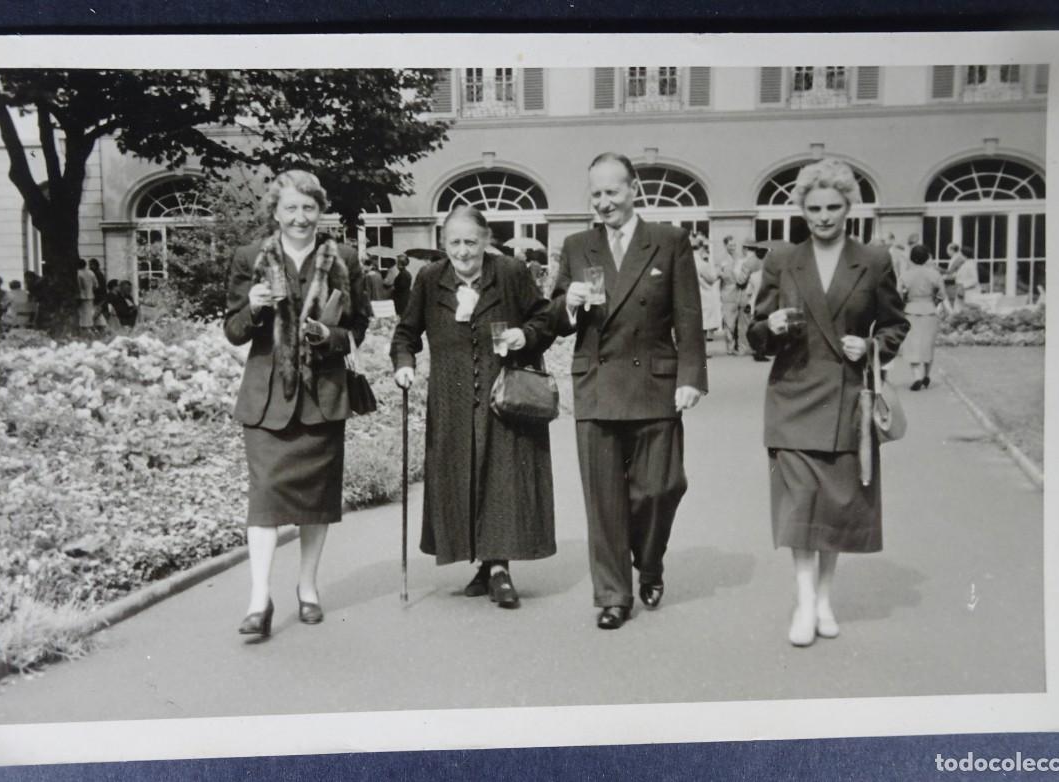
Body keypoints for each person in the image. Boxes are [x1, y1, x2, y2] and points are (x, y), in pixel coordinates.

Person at [746, 157, 908, 647]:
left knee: (835, 505)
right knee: (800, 505)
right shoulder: (781, 260)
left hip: (846, 398)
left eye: (832, 207)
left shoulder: (873, 260)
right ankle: (803, 601)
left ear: (848, 207)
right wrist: (770, 327)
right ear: (802, 209)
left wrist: (872, 346)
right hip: (792, 397)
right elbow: (755, 333)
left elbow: (896, 324)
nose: (823, 217)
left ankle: (823, 600)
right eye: (814, 208)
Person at [550, 152, 707, 630]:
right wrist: (568, 303)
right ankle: (613, 595)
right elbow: (553, 318)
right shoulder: (577, 246)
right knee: (603, 501)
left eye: (611, 192)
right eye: (595, 194)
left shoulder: (669, 241)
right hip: (597, 384)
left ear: (633, 189)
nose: (603, 203)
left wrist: (690, 377)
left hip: (654, 383)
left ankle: (650, 560)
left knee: (661, 487)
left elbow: (689, 316)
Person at [224, 169, 369, 638]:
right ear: (276, 212)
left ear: (320, 210)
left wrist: (330, 335)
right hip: (268, 398)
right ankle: (258, 599)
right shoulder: (250, 257)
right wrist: (254, 307)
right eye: (291, 208)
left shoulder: (344, 258)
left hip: (321, 397)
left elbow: (359, 327)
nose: (300, 217)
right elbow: (233, 330)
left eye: (309, 208)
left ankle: (308, 588)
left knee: (316, 500)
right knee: (264, 497)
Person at [391, 205, 556, 608]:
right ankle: (484, 562)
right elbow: (406, 333)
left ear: (486, 241)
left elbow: (544, 319)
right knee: (462, 477)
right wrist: (404, 364)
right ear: (443, 243)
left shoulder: (510, 273)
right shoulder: (430, 278)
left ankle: (498, 568)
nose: (463, 251)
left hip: (503, 393)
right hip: (451, 398)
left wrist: (525, 335)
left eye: (470, 242)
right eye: (454, 243)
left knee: (501, 478)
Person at [899, 244, 946, 390]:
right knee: (928, 344)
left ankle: (916, 376)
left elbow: (899, 295)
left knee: (912, 344)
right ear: (926, 258)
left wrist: (905, 302)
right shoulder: (934, 274)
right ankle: (926, 375)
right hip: (929, 310)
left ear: (911, 258)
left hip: (911, 310)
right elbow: (942, 294)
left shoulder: (905, 275)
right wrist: (933, 302)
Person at [717, 235, 752, 355]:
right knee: (729, 322)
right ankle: (730, 347)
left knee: (738, 322)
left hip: (739, 293)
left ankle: (737, 346)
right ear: (725, 245)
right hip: (727, 293)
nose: (732, 247)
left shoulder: (740, 258)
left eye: (734, 245)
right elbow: (719, 276)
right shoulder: (721, 260)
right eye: (730, 245)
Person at [692, 235, 721, 357]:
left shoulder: (687, 261)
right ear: (701, 248)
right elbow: (711, 278)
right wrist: (718, 272)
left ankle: (695, 351)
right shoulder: (701, 264)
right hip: (704, 296)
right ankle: (702, 352)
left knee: (695, 327)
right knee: (703, 327)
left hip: (693, 296)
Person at [76, 259, 97, 332]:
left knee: (82, 313)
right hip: (90, 295)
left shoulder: (78, 273)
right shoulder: (91, 273)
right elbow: (96, 285)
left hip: (81, 296)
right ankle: (89, 327)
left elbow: (78, 286)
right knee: (89, 313)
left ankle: (84, 329)